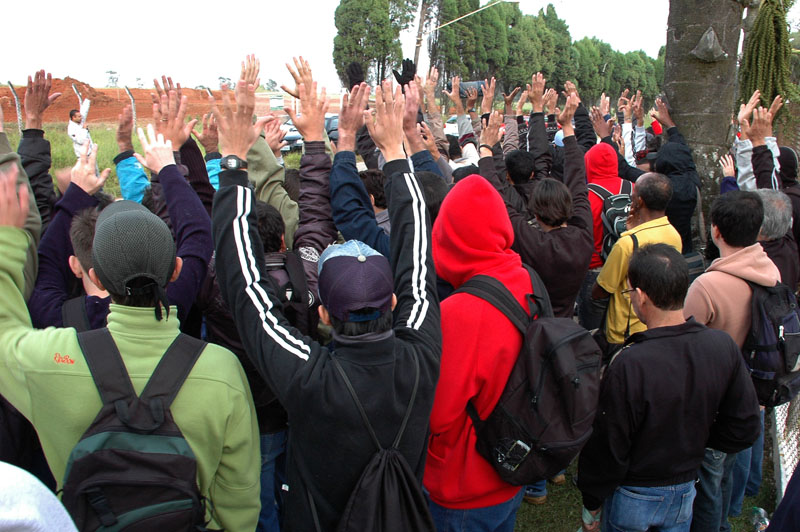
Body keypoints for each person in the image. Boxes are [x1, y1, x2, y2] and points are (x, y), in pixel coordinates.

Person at [0, 126, 261, 531]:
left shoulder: (52, 358)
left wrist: (9, 237)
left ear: (95, 279)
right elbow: (239, 502)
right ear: (175, 271)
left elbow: (4, 335)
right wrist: (170, 169)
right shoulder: (221, 371)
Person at [211, 75, 440, 531]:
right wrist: (395, 150)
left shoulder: (310, 378)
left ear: (323, 315)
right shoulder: (421, 357)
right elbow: (417, 253)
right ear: (394, 301)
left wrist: (236, 164)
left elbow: (246, 290)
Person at [577, 243, 761, 532]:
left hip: (633, 493)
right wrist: (699, 443)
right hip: (685, 491)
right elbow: (746, 425)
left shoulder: (630, 363)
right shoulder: (721, 346)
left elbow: (608, 445)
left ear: (640, 297)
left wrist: (592, 501)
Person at [684, 190, 780, 532]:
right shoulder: (769, 270)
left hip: (715, 401)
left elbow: (686, 346)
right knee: (725, 470)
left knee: (708, 480)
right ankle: (724, 520)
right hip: (751, 392)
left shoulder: (708, 285)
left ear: (715, 231)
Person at [592, 172, 682, 354]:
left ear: (639, 201)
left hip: (624, 331)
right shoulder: (674, 235)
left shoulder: (627, 244)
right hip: (656, 324)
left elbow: (601, 289)